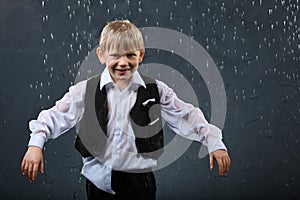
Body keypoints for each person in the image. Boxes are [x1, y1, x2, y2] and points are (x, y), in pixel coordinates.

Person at [21, 19, 231, 200]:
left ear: (140, 56)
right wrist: (36, 144)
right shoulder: (84, 91)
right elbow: (55, 116)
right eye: (115, 55)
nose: (123, 62)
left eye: (130, 55)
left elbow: (187, 115)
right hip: (98, 183)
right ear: (102, 55)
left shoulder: (156, 90)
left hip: (140, 183)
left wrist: (213, 141)